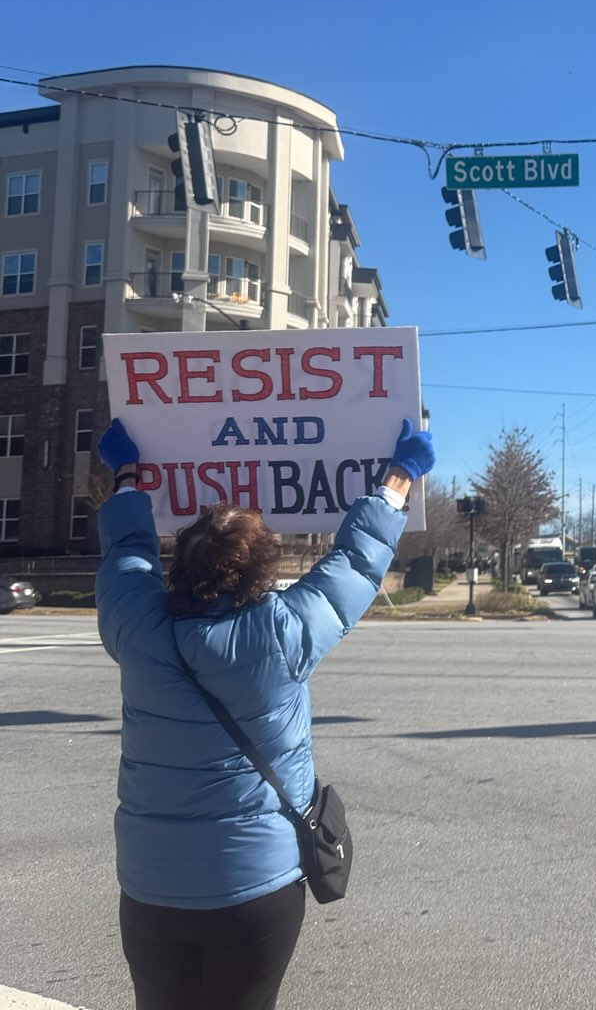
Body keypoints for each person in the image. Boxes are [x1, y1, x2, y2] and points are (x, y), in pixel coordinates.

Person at [94, 417, 436, 1010]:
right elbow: (356, 562)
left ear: (181, 561)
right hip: (254, 887)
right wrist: (400, 476)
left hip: (149, 885)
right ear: (263, 573)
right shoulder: (283, 631)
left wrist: (127, 475)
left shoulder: (134, 623)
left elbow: (127, 552)